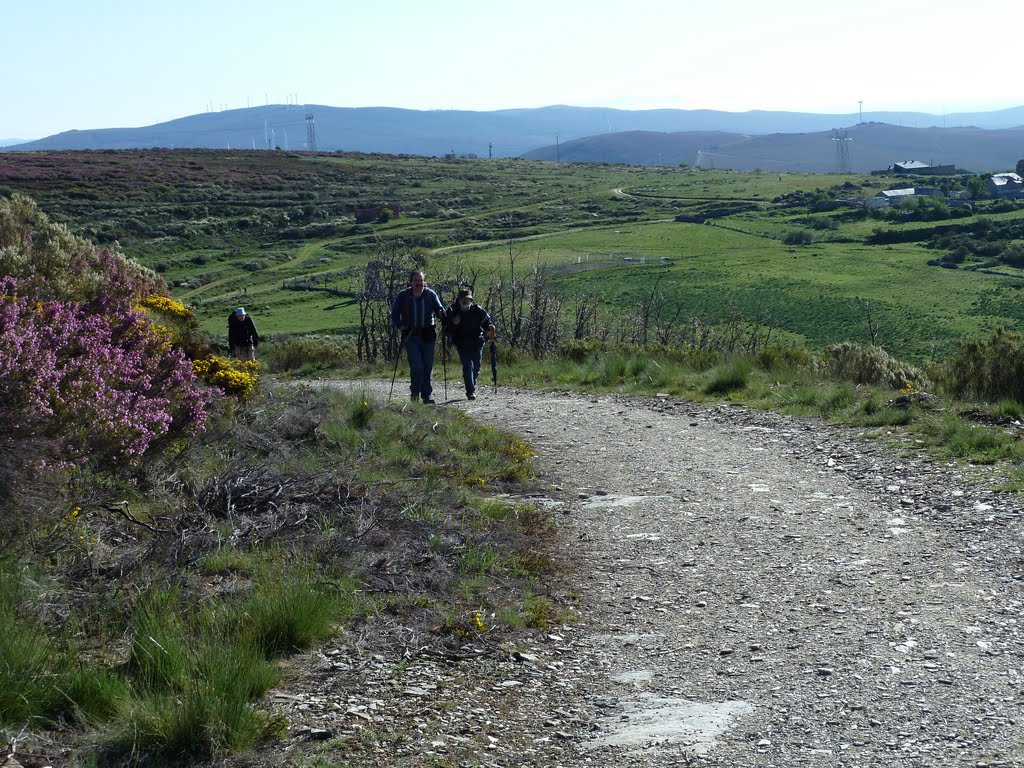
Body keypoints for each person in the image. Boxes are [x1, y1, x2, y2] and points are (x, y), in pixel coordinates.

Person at [391, 270, 446, 404]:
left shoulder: (430, 294)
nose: (418, 283)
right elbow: (394, 314)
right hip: (411, 336)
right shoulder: (403, 296)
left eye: (420, 280)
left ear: (424, 282)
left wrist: (441, 313)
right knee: (417, 366)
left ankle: (426, 395)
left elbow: (439, 308)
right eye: (416, 280)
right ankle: (415, 393)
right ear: (410, 282)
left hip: (428, 334)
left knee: (428, 366)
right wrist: (399, 325)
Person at [445, 288, 495, 400]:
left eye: (468, 299)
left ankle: (471, 382)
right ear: (458, 300)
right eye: (463, 299)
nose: (465, 301)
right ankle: (470, 391)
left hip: (477, 341)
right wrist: (454, 324)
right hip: (461, 343)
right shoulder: (452, 310)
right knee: (468, 365)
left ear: (471, 300)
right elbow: (446, 329)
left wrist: (490, 327)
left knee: (476, 366)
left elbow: (487, 321)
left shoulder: (477, 310)